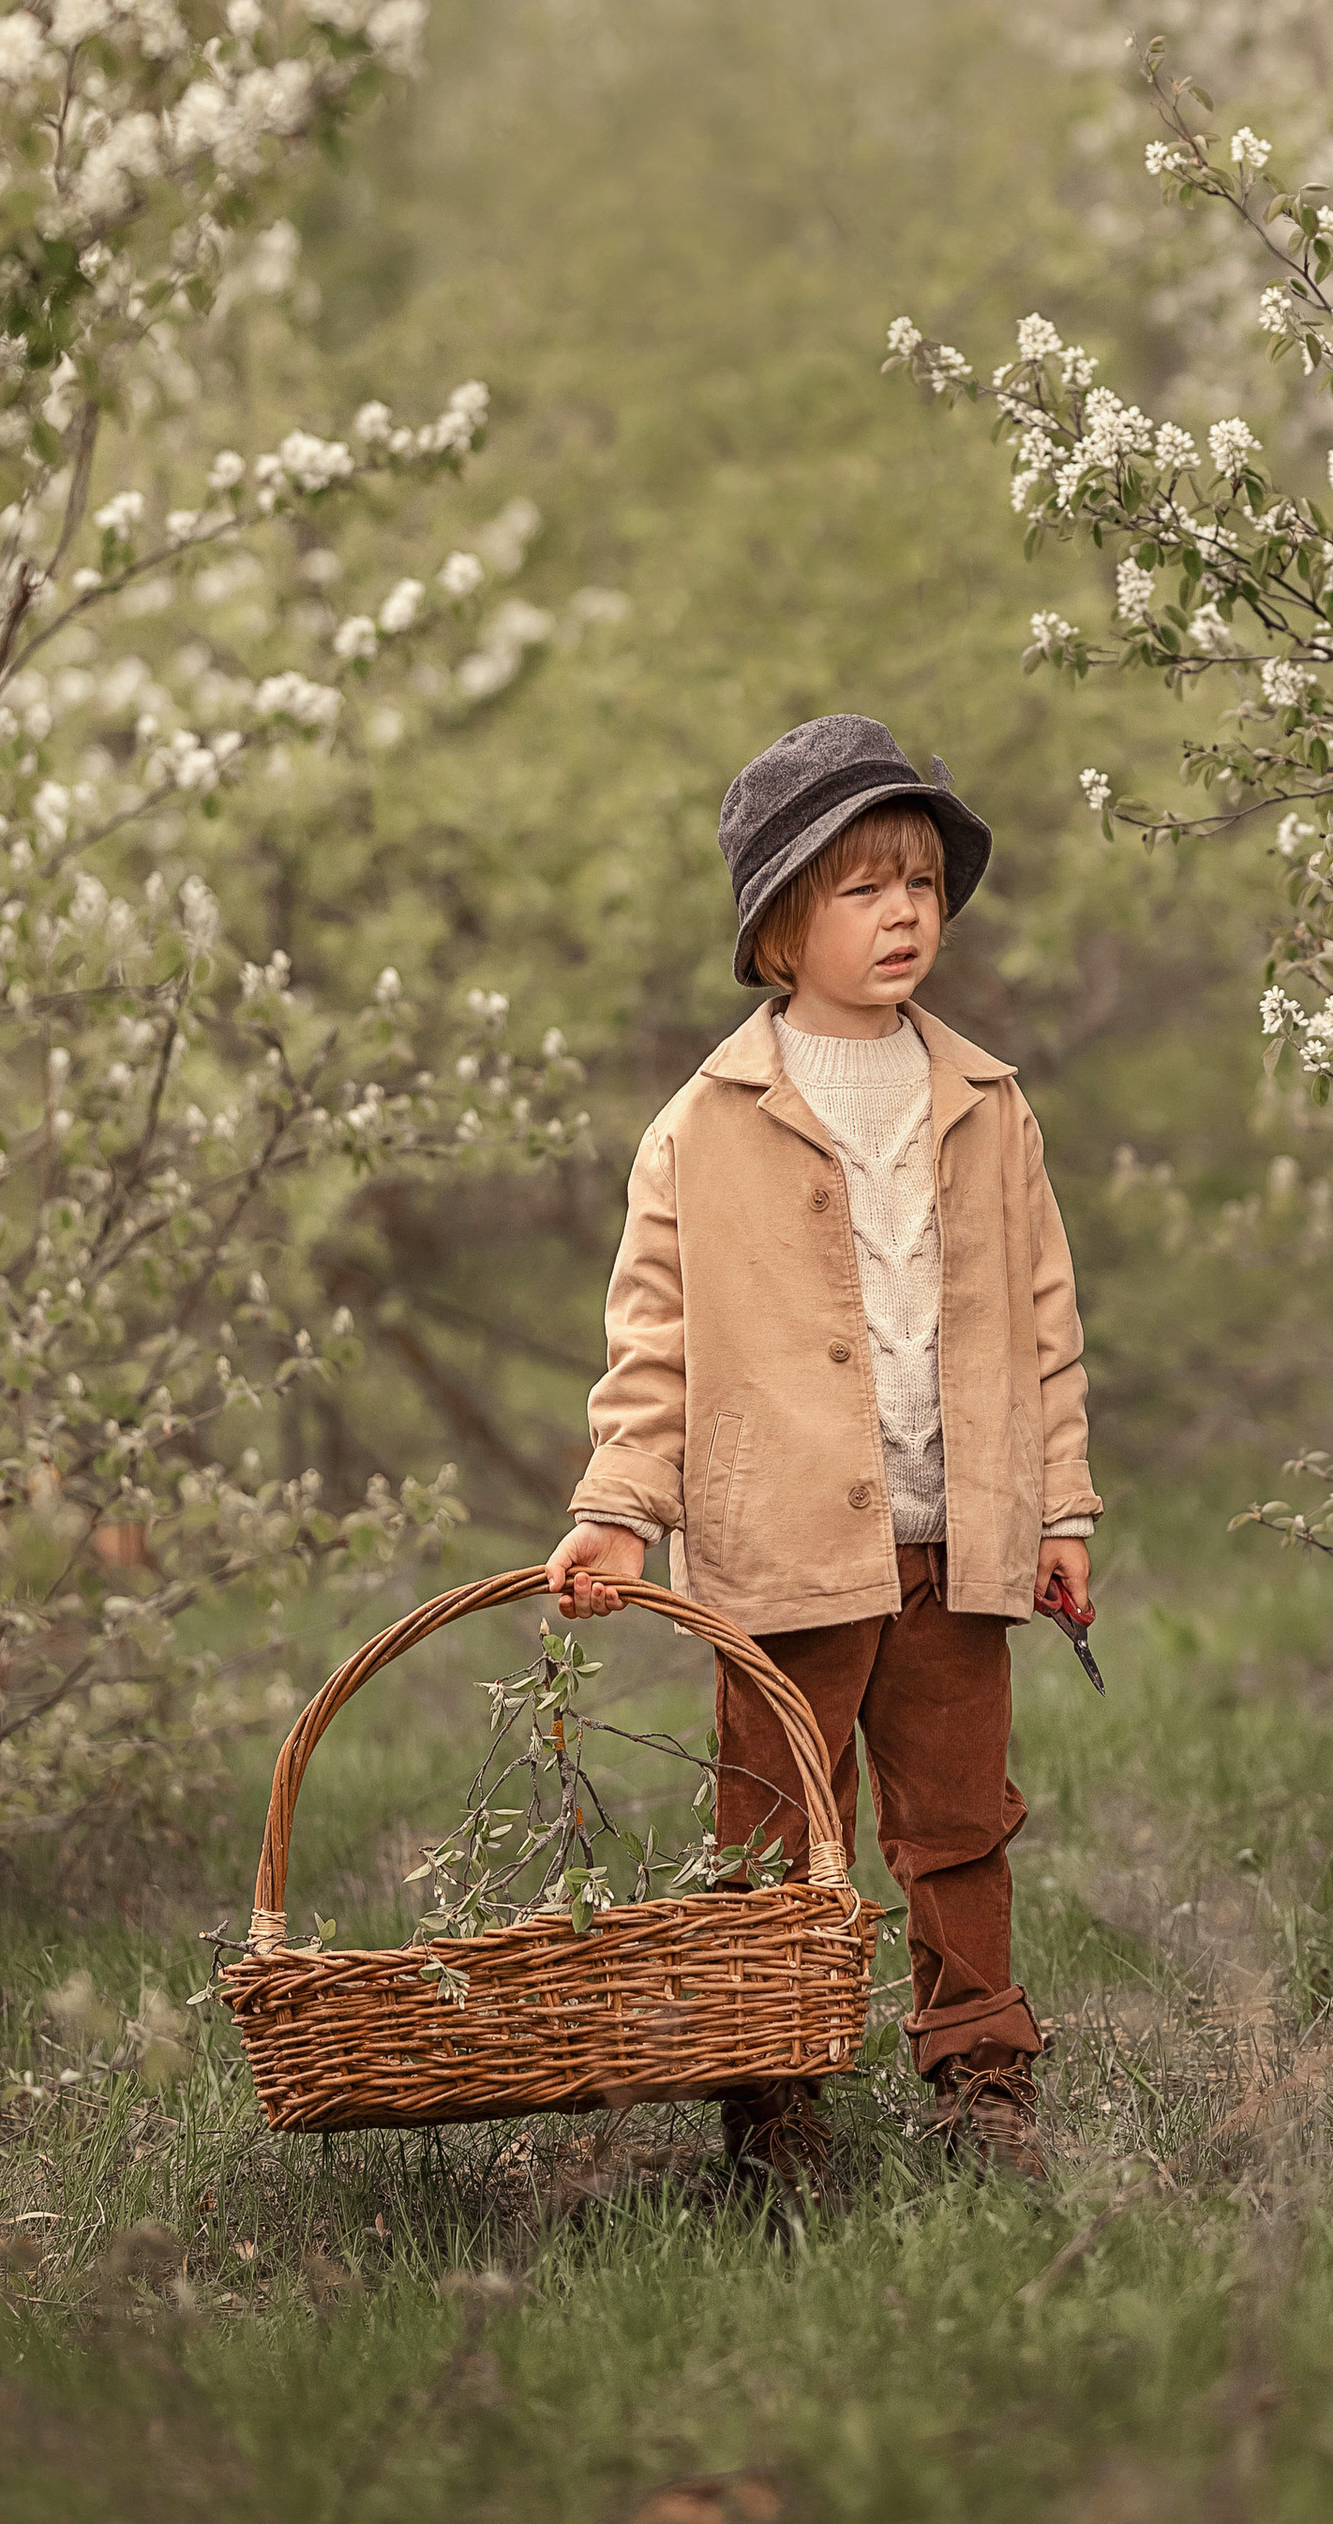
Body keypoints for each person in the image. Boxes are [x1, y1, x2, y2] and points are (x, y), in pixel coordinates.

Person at [544, 713, 1099, 2194]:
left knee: (960, 1820)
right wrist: (619, 1507)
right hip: (783, 1546)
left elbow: (1044, 1322)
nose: (904, 912)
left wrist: (1061, 1510)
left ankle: (981, 2074)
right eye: (863, 889)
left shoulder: (988, 1103)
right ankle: (772, 2089)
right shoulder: (702, 1127)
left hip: (956, 1536)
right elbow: (654, 1343)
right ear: (781, 929)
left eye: (920, 882)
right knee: (778, 1829)